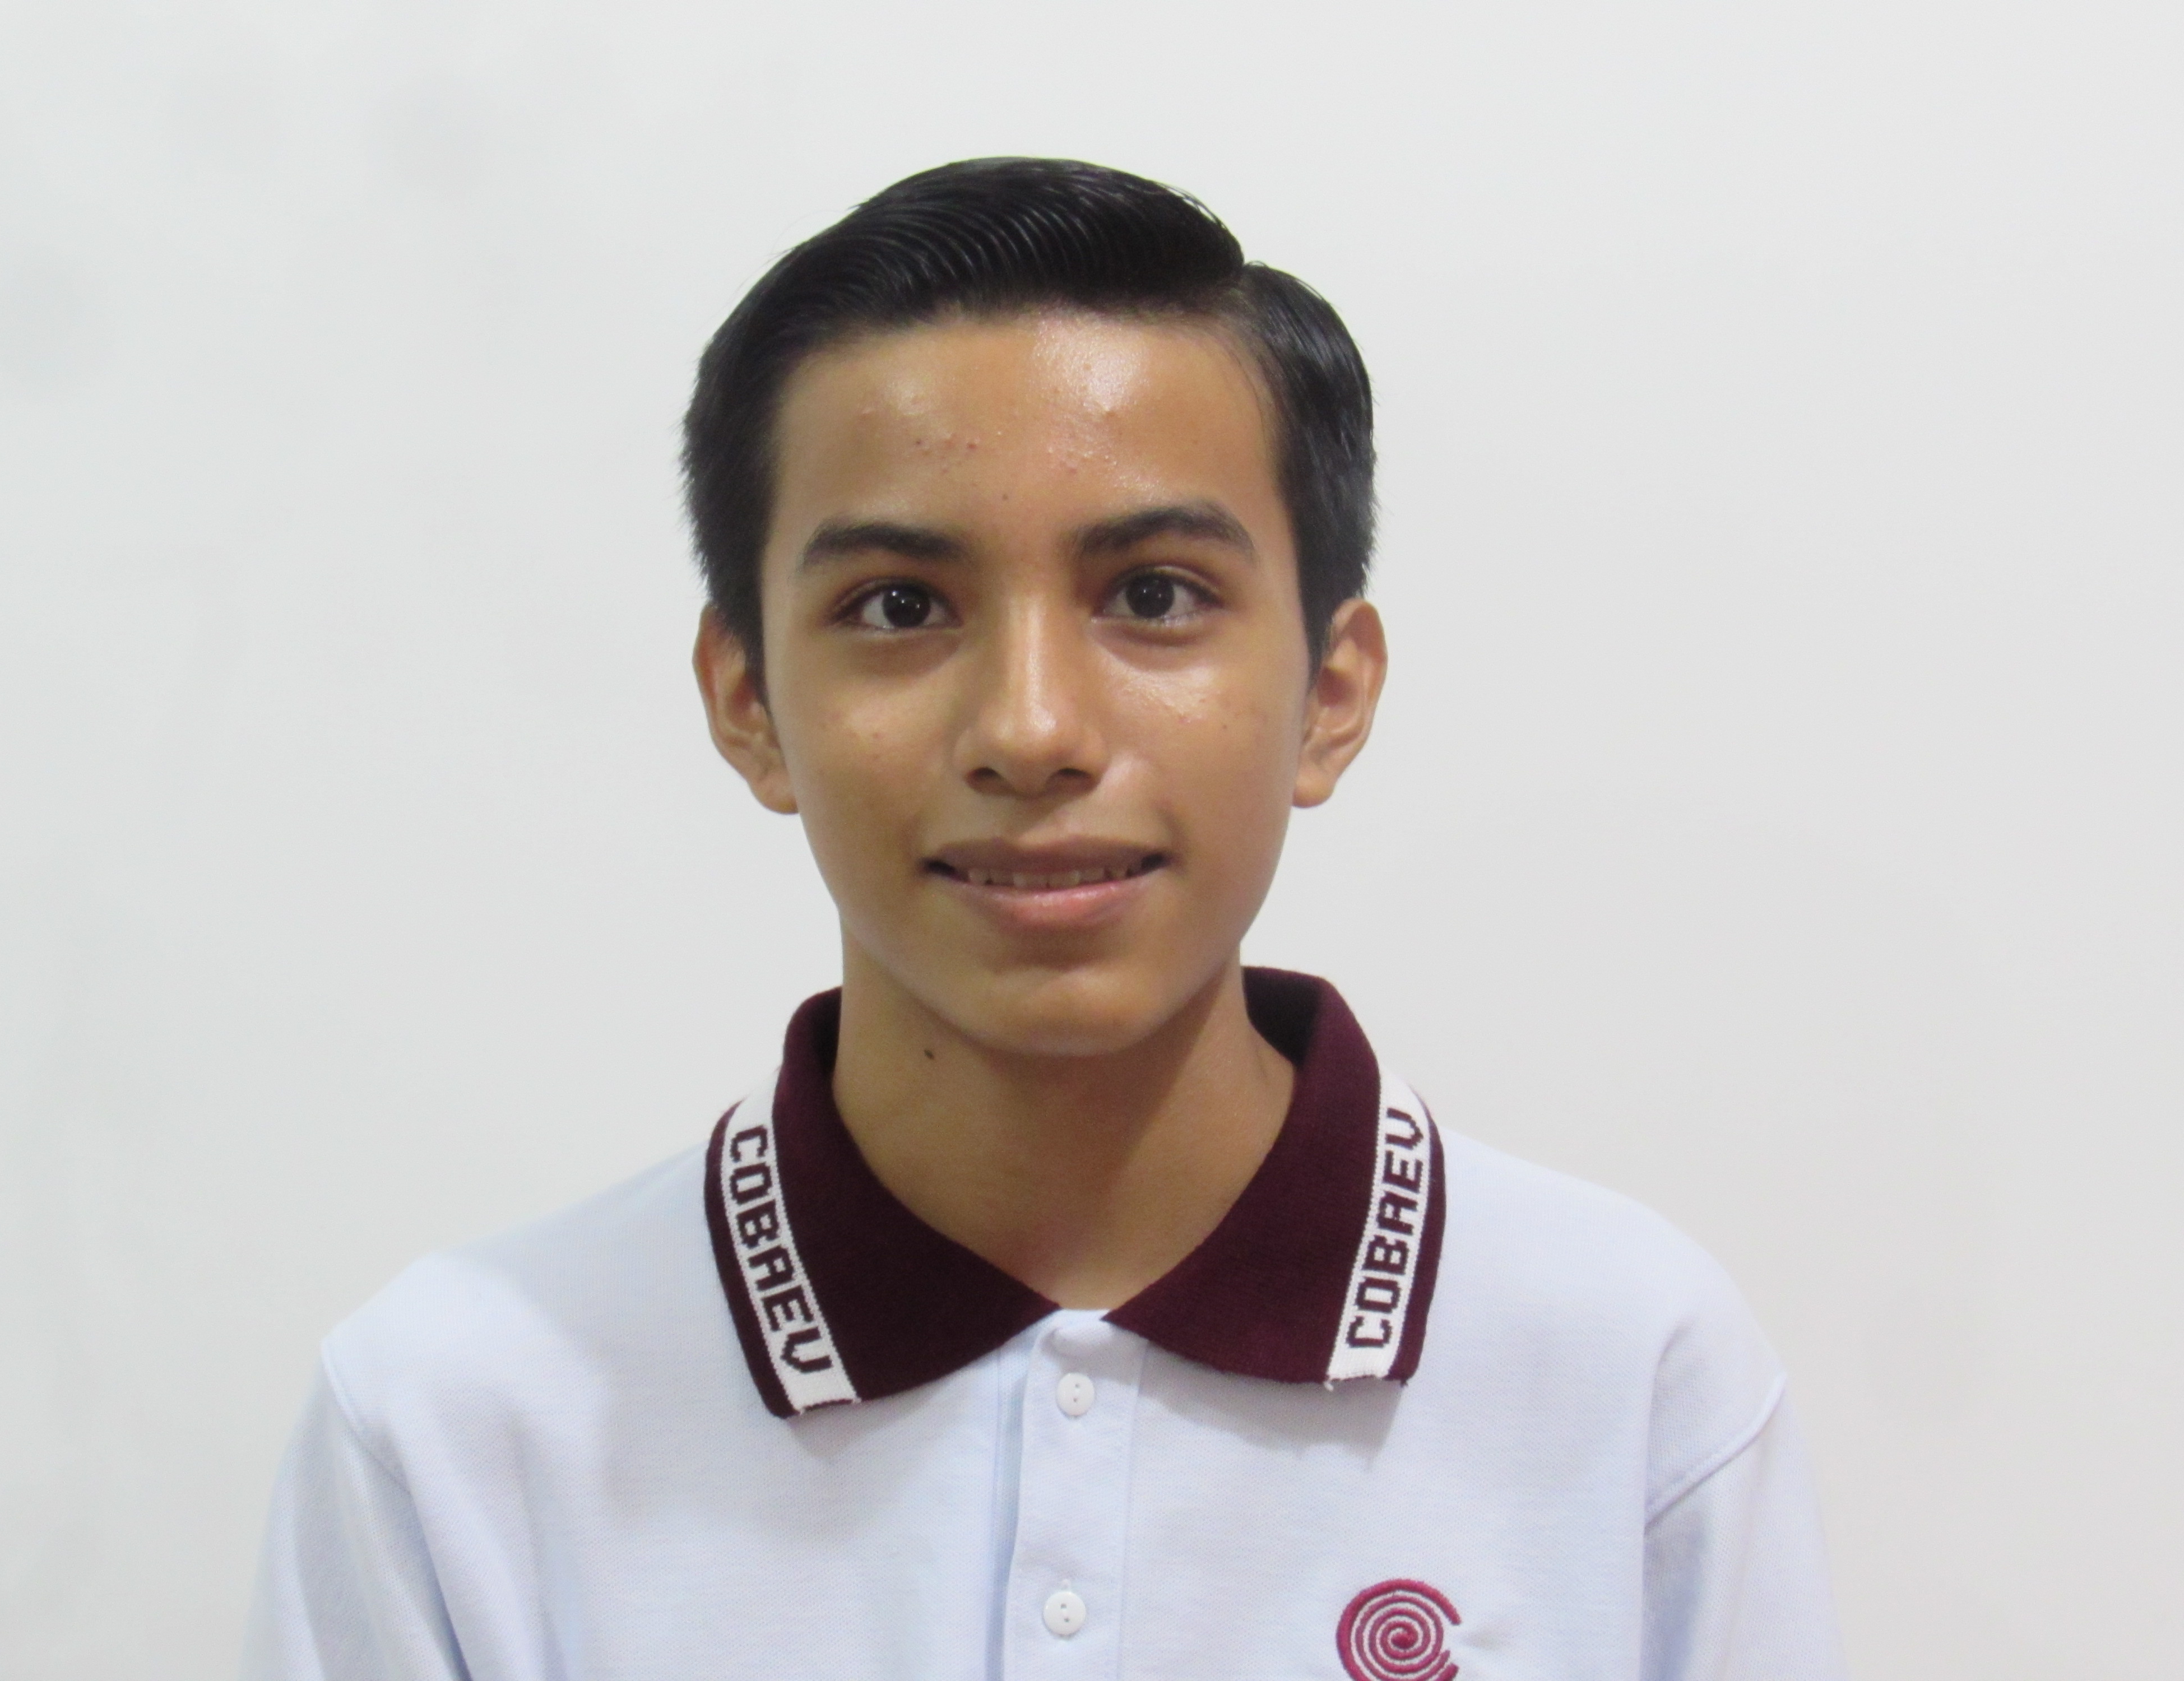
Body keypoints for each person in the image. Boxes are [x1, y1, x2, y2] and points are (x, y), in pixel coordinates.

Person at [243, 158, 1848, 1681]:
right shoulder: (455, 1425)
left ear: (1330, 692)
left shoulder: (1627, 1376)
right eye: (899, 607)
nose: (1031, 729)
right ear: (746, 700)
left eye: (1154, 595)